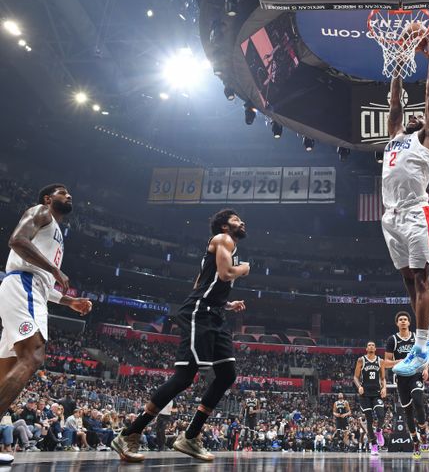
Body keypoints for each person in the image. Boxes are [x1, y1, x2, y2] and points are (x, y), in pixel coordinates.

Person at [111, 209, 250, 462]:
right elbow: (226, 274)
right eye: (236, 219)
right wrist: (243, 268)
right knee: (185, 377)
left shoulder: (227, 246)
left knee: (227, 374)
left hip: (213, 313)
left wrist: (225, 305)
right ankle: (130, 433)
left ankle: (190, 436)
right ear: (224, 226)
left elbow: (202, 283)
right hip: (200, 313)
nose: (242, 221)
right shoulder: (223, 239)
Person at [0, 184, 93, 465]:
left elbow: (44, 282)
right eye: (63, 192)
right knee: (34, 355)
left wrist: (68, 302)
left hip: (34, 291)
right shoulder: (41, 212)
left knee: (7, 367)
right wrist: (53, 269)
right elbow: (16, 241)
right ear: (48, 198)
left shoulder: (58, 234)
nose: (69, 195)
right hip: (23, 287)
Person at [382, 32, 429, 377]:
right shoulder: (396, 137)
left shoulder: (427, 139)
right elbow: (395, 105)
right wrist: (396, 66)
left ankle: (422, 346)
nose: (413, 118)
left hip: (414, 212)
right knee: (408, 281)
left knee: (423, 279)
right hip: (390, 217)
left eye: (419, 118)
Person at [382, 311, 429, 458]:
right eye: (400, 320)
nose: (403, 321)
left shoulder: (416, 337)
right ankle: (415, 441)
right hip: (401, 377)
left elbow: (425, 355)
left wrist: (427, 369)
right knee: (407, 412)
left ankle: (423, 432)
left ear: (409, 323)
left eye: (405, 319)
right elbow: (386, 363)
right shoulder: (392, 340)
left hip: (415, 373)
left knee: (418, 401)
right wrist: (400, 361)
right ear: (397, 323)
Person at [353, 342, 386, 456]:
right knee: (369, 419)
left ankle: (379, 431)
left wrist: (384, 388)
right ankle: (374, 445)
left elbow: (383, 378)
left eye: (373, 345)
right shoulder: (361, 360)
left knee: (381, 415)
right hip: (365, 394)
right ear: (366, 348)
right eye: (369, 345)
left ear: (375, 348)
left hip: (376, 393)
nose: (371, 346)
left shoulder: (380, 361)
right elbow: (355, 377)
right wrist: (359, 386)